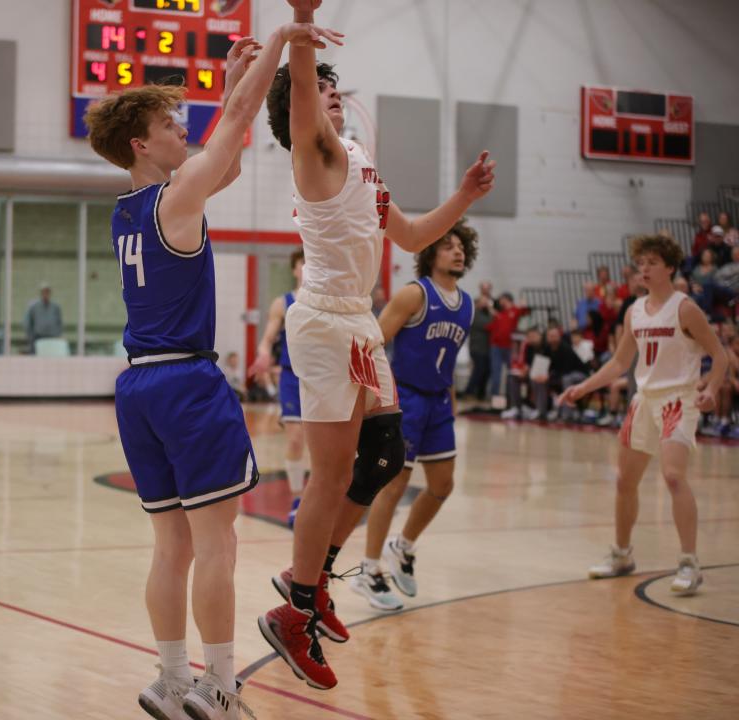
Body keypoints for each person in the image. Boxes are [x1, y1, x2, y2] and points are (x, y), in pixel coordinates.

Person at [85, 22, 342, 720]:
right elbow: (229, 133)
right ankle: (221, 687)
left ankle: (172, 679)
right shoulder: (175, 199)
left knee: (170, 546)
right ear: (141, 142)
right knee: (216, 543)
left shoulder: (129, 211)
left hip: (138, 386)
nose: (182, 130)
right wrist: (287, 39)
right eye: (171, 124)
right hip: (188, 385)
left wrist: (231, 88)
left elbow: (221, 163)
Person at [258, 0, 495, 691]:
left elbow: (416, 236)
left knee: (386, 457)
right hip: (327, 324)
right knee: (330, 476)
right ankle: (294, 612)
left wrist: (463, 196)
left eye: (335, 83)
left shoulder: (357, 160)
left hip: (358, 325)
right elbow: (300, 90)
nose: (330, 88)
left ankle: (310, 579)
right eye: (319, 86)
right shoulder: (315, 151)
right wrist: (300, 22)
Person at [562, 234, 728, 596]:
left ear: (670, 267)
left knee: (672, 476)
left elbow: (720, 355)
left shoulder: (686, 308)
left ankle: (689, 562)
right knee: (624, 482)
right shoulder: (634, 311)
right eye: (640, 264)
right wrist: (584, 388)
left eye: (652, 263)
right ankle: (621, 555)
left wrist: (712, 389)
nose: (644, 270)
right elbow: (620, 363)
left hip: (677, 400)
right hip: (643, 401)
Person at [354, 222, 477, 609]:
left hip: (439, 402)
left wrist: (452, 401)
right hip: (406, 397)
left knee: (443, 484)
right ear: (429, 253)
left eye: (460, 247)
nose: (456, 252)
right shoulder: (414, 294)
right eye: (447, 246)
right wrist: (371, 399)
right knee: (393, 484)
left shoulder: (467, 304)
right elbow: (374, 342)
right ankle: (368, 570)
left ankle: (402, 546)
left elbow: (448, 358)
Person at [249, 248, 307, 527]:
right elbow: (267, 338)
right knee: (296, 438)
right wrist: (263, 353)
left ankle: (318, 502)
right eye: (303, 263)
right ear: (295, 269)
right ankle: (298, 499)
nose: (308, 268)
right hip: (292, 377)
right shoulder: (283, 303)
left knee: (323, 448)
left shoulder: (332, 301)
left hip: (324, 378)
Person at [485, 293, 529, 400]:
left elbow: (525, 312)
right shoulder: (500, 313)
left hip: (509, 347)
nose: (499, 302)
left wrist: (523, 304)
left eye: (501, 300)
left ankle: (510, 397)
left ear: (506, 299)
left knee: (511, 372)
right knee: (496, 373)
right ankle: (494, 397)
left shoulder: (515, 310)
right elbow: (489, 327)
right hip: (496, 347)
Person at [500, 326, 544, 420]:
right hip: (532, 373)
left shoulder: (546, 346)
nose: (531, 339)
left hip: (544, 374)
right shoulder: (529, 347)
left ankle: (539, 410)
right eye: (529, 336)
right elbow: (528, 364)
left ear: (539, 335)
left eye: (534, 336)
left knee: (536, 380)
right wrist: (524, 371)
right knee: (512, 377)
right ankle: (516, 408)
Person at [463, 282, 494, 401]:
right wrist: (492, 313)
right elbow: (487, 324)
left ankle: (480, 394)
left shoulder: (485, 312)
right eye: (483, 301)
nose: (486, 303)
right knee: (479, 369)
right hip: (477, 347)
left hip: (487, 347)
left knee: (486, 370)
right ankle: (469, 392)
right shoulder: (475, 313)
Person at [24, 283, 63, 353]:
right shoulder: (34, 307)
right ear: (41, 293)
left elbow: (59, 322)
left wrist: (58, 334)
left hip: (52, 338)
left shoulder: (55, 307)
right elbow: (29, 323)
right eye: (44, 292)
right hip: (38, 337)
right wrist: (30, 337)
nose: (46, 294)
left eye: (47, 292)